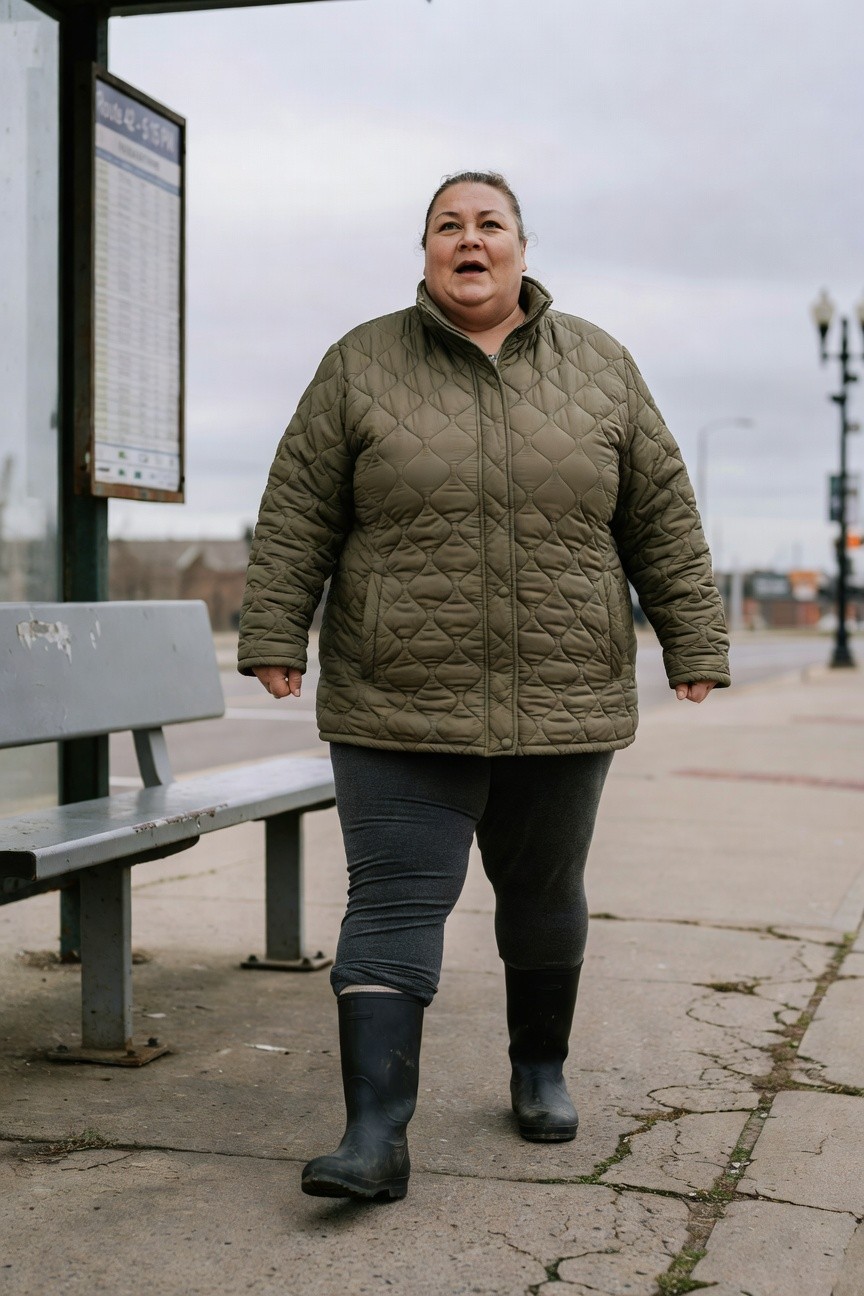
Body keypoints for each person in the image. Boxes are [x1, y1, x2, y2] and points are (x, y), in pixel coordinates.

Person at [238, 170, 730, 1203]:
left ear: (520, 247)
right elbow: (296, 512)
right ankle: (375, 1132)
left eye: (489, 224)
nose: (470, 239)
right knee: (394, 901)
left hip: (562, 693)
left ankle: (538, 1066)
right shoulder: (359, 364)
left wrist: (695, 642)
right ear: (424, 253)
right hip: (396, 697)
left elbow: (662, 517)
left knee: (543, 894)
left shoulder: (601, 366)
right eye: (447, 226)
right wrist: (275, 631)